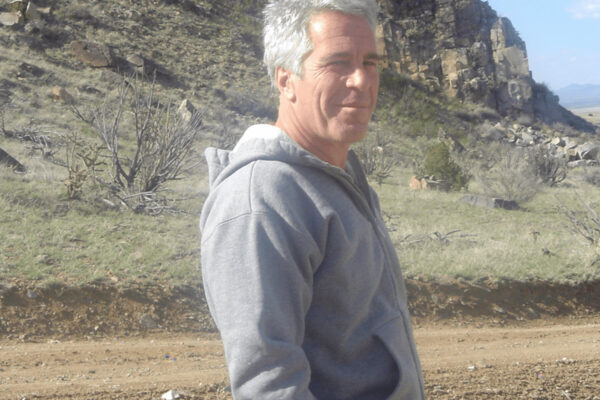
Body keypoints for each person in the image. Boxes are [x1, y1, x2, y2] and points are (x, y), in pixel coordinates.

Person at [199, 0, 425, 398]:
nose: (361, 80)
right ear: (286, 79)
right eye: (337, 62)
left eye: (370, 62)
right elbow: (269, 385)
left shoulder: (338, 177)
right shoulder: (262, 199)